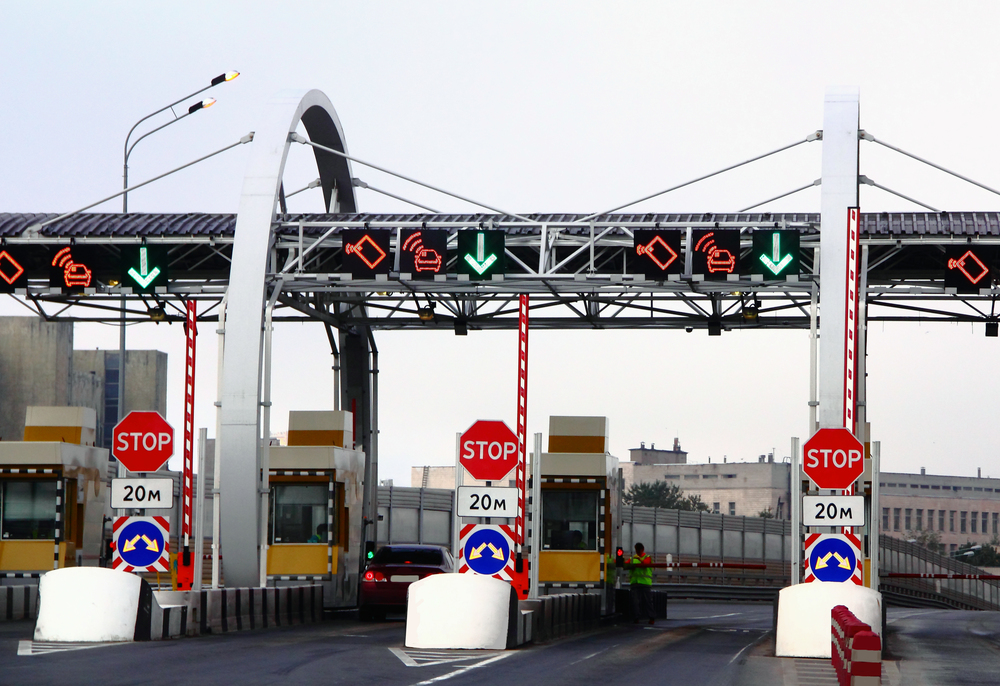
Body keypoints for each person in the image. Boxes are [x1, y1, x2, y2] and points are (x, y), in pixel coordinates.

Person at [625, 542, 655, 625]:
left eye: (639, 550)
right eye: (637, 550)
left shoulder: (647, 557)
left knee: (647, 601)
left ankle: (651, 617)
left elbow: (645, 564)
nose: (637, 552)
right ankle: (636, 617)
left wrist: (638, 559)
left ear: (642, 549)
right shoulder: (632, 559)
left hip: (644, 583)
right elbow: (625, 565)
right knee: (636, 601)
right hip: (636, 583)